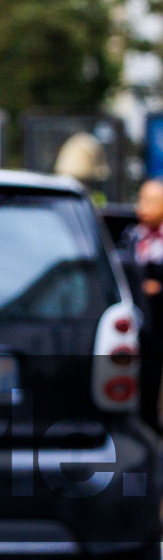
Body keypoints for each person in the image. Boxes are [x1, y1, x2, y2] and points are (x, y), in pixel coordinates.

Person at [122, 177, 163, 428]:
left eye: (152, 201)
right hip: (137, 317)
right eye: (142, 200)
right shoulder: (132, 236)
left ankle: (149, 417)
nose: (143, 207)